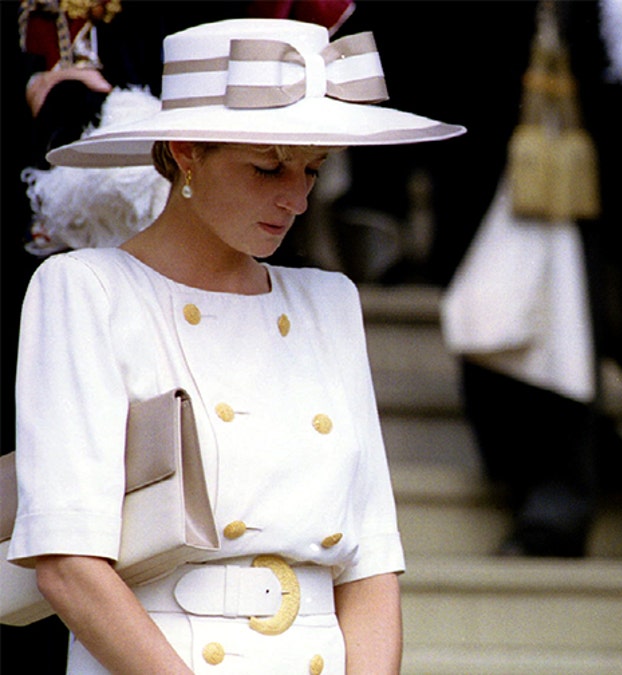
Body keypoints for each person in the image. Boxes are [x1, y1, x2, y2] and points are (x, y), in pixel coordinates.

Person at [7, 17, 463, 673]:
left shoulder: (329, 301)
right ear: (187, 150)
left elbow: (371, 565)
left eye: (312, 169)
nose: (298, 199)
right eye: (268, 168)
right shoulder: (85, 289)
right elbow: (67, 562)